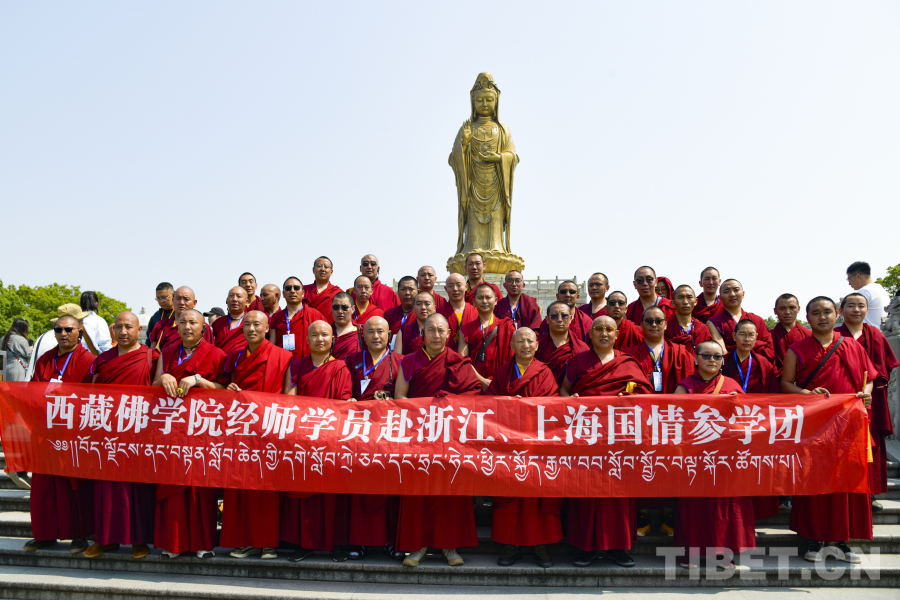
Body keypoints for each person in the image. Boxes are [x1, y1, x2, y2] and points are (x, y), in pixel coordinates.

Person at [782, 296, 874, 564]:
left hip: (848, 425)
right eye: (815, 313)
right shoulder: (796, 349)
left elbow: (869, 378)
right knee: (813, 480)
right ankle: (813, 538)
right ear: (807, 318)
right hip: (814, 426)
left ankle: (840, 541)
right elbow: (786, 384)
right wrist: (806, 393)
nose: (822, 317)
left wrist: (865, 394)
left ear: (836, 314)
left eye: (827, 312)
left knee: (845, 482)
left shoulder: (852, 346)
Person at [560, 315, 652, 568]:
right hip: (587, 437)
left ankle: (618, 547)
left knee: (619, 493)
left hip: (620, 439)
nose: (603, 333)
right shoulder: (578, 361)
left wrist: (631, 401)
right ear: (590, 334)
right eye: (598, 329)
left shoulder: (628, 363)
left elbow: (646, 397)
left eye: (609, 329)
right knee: (586, 492)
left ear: (616, 335)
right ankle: (585, 548)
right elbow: (564, 390)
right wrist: (570, 400)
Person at [394, 313, 481, 567]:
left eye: (441, 330)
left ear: (449, 334)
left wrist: (449, 404)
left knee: (450, 491)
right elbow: (400, 396)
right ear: (423, 334)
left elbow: (474, 395)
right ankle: (417, 546)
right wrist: (425, 413)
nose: (436, 334)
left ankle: (449, 546)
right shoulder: (409, 361)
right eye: (431, 329)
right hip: (418, 433)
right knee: (418, 491)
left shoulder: (459, 362)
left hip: (450, 435)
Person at [673, 340, 755, 569]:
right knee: (694, 506)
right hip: (694, 456)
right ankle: (691, 552)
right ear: (696, 359)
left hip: (725, 457)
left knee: (723, 507)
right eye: (707, 355)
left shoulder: (731, 385)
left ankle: (721, 554)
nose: (712, 360)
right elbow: (675, 420)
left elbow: (745, 420)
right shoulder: (685, 387)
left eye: (717, 357)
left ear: (722, 361)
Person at [217, 310, 292, 560]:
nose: (251, 329)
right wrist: (230, 390)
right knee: (240, 485)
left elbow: (288, 394)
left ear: (267, 327)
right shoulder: (236, 356)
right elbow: (227, 388)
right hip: (241, 429)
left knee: (266, 488)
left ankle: (267, 542)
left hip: (268, 429)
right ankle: (244, 539)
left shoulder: (283, 356)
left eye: (257, 324)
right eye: (247, 324)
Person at [151, 309, 225, 559]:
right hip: (171, 430)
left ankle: (202, 542)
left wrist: (198, 380)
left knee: (199, 489)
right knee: (172, 486)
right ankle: (174, 543)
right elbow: (153, 386)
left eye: (193, 322)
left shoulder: (216, 354)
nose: (187, 326)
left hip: (202, 431)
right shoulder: (168, 352)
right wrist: (164, 376)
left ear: (203, 327)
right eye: (182, 322)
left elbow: (224, 390)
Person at [486, 327, 561, 569]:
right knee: (510, 492)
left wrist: (531, 406)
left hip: (538, 444)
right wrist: (507, 404)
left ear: (537, 345)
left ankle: (541, 544)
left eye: (530, 341)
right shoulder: (502, 372)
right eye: (520, 341)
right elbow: (489, 404)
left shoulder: (545, 372)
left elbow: (554, 405)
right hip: (509, 444)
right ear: (512, 346)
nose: (526, 345)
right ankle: (511, 544)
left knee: (538, 494)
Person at [23, 313, 96, 553]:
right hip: (46, 431)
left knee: (73, 486)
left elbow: (92, 397)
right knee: (44, 487)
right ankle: (44, 534)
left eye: (68, 329)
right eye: (58, 330)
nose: (63, 334)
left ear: (79, 333)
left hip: (73, 433)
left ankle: (79, 535)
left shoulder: (88, 360)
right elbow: (33, 390)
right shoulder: (45, 359)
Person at [281, 320, 353, 562]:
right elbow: (289, 399)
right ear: (307, 339)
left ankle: (336, 544)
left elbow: (343, 402)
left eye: (324, 335)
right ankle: (304, 544)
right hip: (302, 438)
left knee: (332, 494)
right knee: (303, 493)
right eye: (314, 335)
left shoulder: (340, 367)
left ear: (332, 339)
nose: (319, 339)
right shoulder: (296, 365)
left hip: (331, 439)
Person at [85, 312, 154, 559]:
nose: (123, 332)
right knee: (106, 487)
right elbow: (92, 393)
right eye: (118, 327)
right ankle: (105, 539)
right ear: (112, 330)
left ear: (139, 330)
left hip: (138, 432)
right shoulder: (103, 359)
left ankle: (138, 539)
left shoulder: (151, 357)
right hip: (107, 431)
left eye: (128, 327)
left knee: (136, 488)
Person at [344, 316, 404, 560]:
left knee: (391, 487)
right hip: (360, 433)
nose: (376, 336)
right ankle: (362, 540)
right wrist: (348, 398)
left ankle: (392, 540)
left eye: (381, 331)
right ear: (363, 335)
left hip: (390, 433)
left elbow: (408, 396)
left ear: (389, 335)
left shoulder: (401, 361)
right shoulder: (351, 361)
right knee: (362, 487)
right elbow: (344, 389)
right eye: (371, 331)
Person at [838, 293, 900, 509]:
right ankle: (842, 490)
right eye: (851, 305)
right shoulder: (835, 335)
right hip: (842, 401)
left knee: (871, 446)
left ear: (867, 309)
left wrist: (868, 387)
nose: (856, 309)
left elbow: (885, 367)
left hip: (871, 400)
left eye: (861, 306)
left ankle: (869, 492)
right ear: (841, 310)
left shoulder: (875, 334)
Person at [624, 306, 692, 394]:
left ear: (665, 325)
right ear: (641, 325)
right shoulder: (629, 354)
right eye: (649, 321)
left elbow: (688, 384)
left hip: (672, 402)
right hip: (641, 402)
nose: (654, 325)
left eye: (659, 321)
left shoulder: (680, 352)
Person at [459, 283, 516, 388]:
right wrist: (482, 381)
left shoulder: (507, 326)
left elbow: (513, 359)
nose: (484, 301)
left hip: (501, 384)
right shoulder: (466, 329)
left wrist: (497, 382)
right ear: (474, 302)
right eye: (480, 298)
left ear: (496, 301)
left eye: (488, 297)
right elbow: (462, 361)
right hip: (474, 384)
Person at [707, 279, 775, 362]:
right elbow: (721, 352)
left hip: (757, 366)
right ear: (720, 298)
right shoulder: (713, 322)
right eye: (726, 291)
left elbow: (769, 349)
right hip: (731, 366)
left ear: (743, 294)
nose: (732, 294)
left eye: (736, 290)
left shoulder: (758, 320)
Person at [269, 276, 326, 359]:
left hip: (308, 362)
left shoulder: (314, 314)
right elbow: (272, 345)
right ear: (283, 294)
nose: (292, 291)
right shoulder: (276, 317)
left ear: (303, 293)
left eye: (296, 288)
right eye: (288, 288)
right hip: (282, 362)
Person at [535, 301, 589, 385]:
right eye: (554, 316)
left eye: (564, 316)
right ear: (547, 320)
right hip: (543, 391)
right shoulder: (536, 346)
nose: (559, 320)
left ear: (571, 318)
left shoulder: (582, 348)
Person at [148, 286, 213, 353]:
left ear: (194, 303)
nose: (181, 302)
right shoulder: (161, 326)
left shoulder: (202, 327)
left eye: (186, 299)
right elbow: (152, 354)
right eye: (178, 299)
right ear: (173, 301)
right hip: (165, 360)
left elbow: (209, 353)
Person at [721, 319, 779, 393]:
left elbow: (773, 391)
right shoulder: (723, 361)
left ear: (756, 337)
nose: (747, 339)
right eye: (742, 334)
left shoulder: (764, 363)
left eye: (751, 335)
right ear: (734, 336)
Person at [770, 293, 811, 378]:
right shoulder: (769, 336)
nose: (787, 312)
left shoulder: (809, 335)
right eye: (782, 308)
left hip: (804, 381)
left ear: (798, 309)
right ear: (775, 311)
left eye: (792, 307)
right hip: (777, 380)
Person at [665, 285, 712, 354]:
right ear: (673, 303)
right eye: (680, 297)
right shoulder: (666, 329)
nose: (685, 302)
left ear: (695, 301)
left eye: (689, 297)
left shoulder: (703, 329)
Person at [437, 273, 479, 346]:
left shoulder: (476, 312)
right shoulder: (438, 313)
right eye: (451, 286)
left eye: (459, 285)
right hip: (446, 352)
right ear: (446, 289)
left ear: (466, 287)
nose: (455, 289)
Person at [847, 261, 891, 328]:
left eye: (849, 279)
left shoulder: (864, 292)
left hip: (869, 333)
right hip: (882, 331)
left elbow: (851, 316)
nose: (849, 283)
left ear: (858, 276)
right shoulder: (881, 290)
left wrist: (840, 309)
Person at [395, 291, 437, 355]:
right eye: (419, 304)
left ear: (434, 308)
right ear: (413, 309)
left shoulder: (441, 330)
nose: (423, 307)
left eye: (427, 304)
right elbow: (396, 358)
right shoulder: (404, 331)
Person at [212, 287, 251, 355]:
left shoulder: (251, 320)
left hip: (245, 359)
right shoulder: (218, 322)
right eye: (231, 296)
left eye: (239, 296)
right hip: (221, 360)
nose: (234, 299)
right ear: (227, 300)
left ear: (246, 302)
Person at [304, 256, 342, 324]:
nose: (322, 269)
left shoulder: (338, 292)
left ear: (331, 272)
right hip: (308, 328)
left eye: (326, 267)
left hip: (329, 329)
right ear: (313, 270)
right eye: (319, 266)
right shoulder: (303, 290)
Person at [331, 292, 362, 360]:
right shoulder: (326, 333)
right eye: (336, 307)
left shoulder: (361, 333)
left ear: (353, 309)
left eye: (344, 308)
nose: (340, 311)